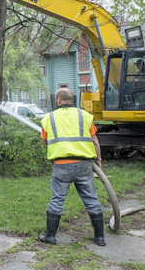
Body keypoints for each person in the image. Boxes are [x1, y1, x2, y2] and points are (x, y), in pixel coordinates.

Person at [39, 88, 105, 246]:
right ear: (71, 99)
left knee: (57, 199)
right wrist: (99, 161)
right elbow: (94, 140)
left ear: (58, 100)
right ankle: (100, 238)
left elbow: (44, 141)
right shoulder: (85, 116)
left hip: (61, 165)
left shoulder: (49, 118)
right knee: (91, 199)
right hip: (83, 165)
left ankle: (50, 236)